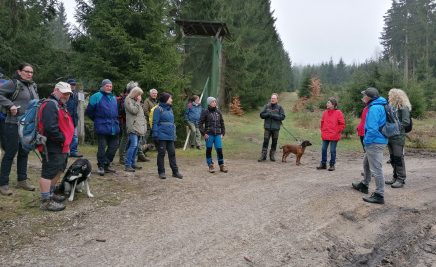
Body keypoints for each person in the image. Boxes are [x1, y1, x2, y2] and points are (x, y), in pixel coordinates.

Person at [0, 63, 38, 196]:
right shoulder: (13, 84)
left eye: (31, 72)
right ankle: (3, 183)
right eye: (27, 71)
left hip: (27, 125)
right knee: (10, 152)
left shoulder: (32, 85)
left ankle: (22, 180)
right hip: (12, 123)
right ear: (19, 72)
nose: (29, 74)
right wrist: (10, 105)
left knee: (24, 152)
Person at [37, 82, 74, 211]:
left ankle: (50, 194)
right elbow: (50, 127)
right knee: (48, 172)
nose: (66, 95)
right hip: (52, 145)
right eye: (64, 93)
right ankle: (45, 201)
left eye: (68, 93)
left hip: (61, 145)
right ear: (56, 90)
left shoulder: (60, 104)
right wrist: (62, 139)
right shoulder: (50, 105)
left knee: (59, 169)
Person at [352, 87, 388, 204]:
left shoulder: (374, 108)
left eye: (364, 95)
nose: (363, 97)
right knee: (366, 163)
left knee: (376, 169)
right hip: (379, 140)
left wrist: (366, 142)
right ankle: (364, 184)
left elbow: (372, 129)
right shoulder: (381, 105)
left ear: (369, 97)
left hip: (374, 142)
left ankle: (379, 194)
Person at [85, 79, 120, 176]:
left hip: (114, 126)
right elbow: (89, 112)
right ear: (103, 86)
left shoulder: (113, 98)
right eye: (107, 86)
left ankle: (106, 164)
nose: (109, 88)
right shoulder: (96, 96)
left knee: (114, 146)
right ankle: (101, 166)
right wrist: (97, 120)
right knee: (102, 147)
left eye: (110, 86)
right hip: (102, 126)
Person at [385, 88, 411, 188]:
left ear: (395, 96)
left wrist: (394, 127)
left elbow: (406, 122)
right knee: (392, 158)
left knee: (398, 158)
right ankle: (395, 177)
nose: (388, 97)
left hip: (398, 137)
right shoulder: (392, 107)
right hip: (390, 136)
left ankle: (401, 179)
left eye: (390, 95)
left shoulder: (403, 108)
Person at [152, 92, 183, 179]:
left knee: (172, 153)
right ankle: (161, 172)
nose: (171, 100)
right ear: (166, 99)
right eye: (170, 98)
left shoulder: (170, 109)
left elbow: (172, 123)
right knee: (161, 153)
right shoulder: (158, 109)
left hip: (170, 135)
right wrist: (155, 134)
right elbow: (155, 122)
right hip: (161, 135)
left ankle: (175, 172)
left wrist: (174, 134)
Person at [199, 96, 228, 173]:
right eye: (212, 102)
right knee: (209, 150)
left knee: (219, 150)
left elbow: (222, 123)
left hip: (218, 134)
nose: (214, 103)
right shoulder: (205, 112)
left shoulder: (218, 112)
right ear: (209, 103)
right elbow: (200, 124)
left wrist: (223, 133)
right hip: (209, 134)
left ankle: (221, 165)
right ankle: (210, 165)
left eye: (215, 101)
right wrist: (204, 133)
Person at [316, 97, 345, 171]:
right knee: (323, 149)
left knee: (332, 150)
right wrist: (322, 131)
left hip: (334, 136)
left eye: (328, 103)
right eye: (327, 102)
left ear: (333, 104)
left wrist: (336, 132)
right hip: (325, 134)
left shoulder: (338, 112)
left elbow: (342, 124)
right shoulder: (325, 112)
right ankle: (323, 164)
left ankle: (332, 165)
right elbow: (322, 122)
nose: (327, 104)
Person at [124, 86, 147, 172]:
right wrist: (138, 102)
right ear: (135, 94)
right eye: (139, 94)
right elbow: (134, 111)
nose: (140, 96)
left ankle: (133, 163)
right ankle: (127, 164)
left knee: (136, 146)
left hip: (139, 127)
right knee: (133, 145)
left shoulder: (136, 101)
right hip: (133, 127)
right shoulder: (128, 100)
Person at [258, 93, 285, 162]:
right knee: (265, 141)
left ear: (277, 100)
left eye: (274, 98)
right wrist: (268, 114)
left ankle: (272, 155)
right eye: (272, 98)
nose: (272, 99)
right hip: (267, 127)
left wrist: (274, 116)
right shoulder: (266, 106)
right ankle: (263, 155)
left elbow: (283, 117)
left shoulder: (280, 107)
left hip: (276, 128)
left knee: (274, 142)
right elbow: (261, 115)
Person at [118, 81, 138, 164]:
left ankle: (125, 156)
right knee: (125, 138)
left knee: (128, 139)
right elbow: (124, 111)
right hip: (126, 121)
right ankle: (122, 157)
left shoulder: (131, 97)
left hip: (131, 122)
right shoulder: (126, 98)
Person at [66, 79, 83, 158]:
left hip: (74, 118)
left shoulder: (76, 95)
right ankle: (66, 151)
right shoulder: (65, 94)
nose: (73, 86)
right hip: (65, 118)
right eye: (71, 84)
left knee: (74, 136)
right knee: (66, 135)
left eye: (74, 85)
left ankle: (73, 151)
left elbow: (77, 107)